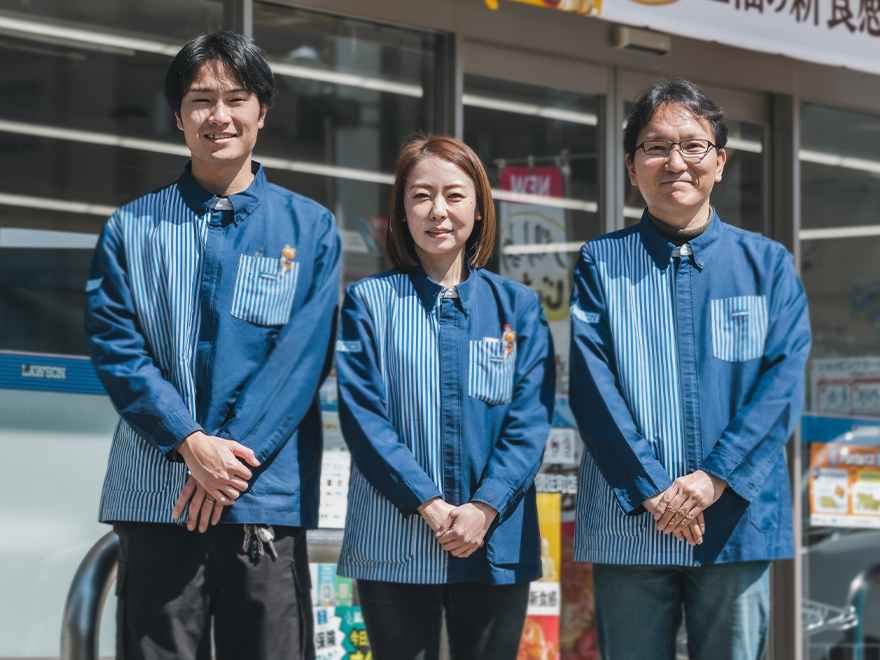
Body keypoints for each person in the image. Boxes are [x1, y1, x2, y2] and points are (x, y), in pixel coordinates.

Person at [84, 31, 340, 660]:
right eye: (200, 100)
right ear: (178, 115)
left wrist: (224, 465)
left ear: (263, 110)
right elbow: (117, 346)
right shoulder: (132, 227)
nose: (218, 116)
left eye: (236, 98)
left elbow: (301, 361)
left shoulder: (309, 228)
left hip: (262, 496)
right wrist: (188, 441)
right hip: (156, 491)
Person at [568, 78, 810, 659]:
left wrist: (713, 477)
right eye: (655, 147)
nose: (675, 162)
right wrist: (652, 489)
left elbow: (782, 383)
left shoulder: (767, 264)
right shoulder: (602, 263)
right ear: (631, 167)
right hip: (632, 522)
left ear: (719, 162)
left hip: (734, 517)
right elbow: (591, 384)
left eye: (693, 146)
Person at [335, 134, 555, 660]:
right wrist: (429, 504)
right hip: (396, 538)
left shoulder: (518, 307)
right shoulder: (370, 303)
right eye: (421, 196)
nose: (438, 211)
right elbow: (364, 416)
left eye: (455, 196)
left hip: (494, 537)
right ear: (402, 211)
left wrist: (484, 507)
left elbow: (530, 420)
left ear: (479, 209)